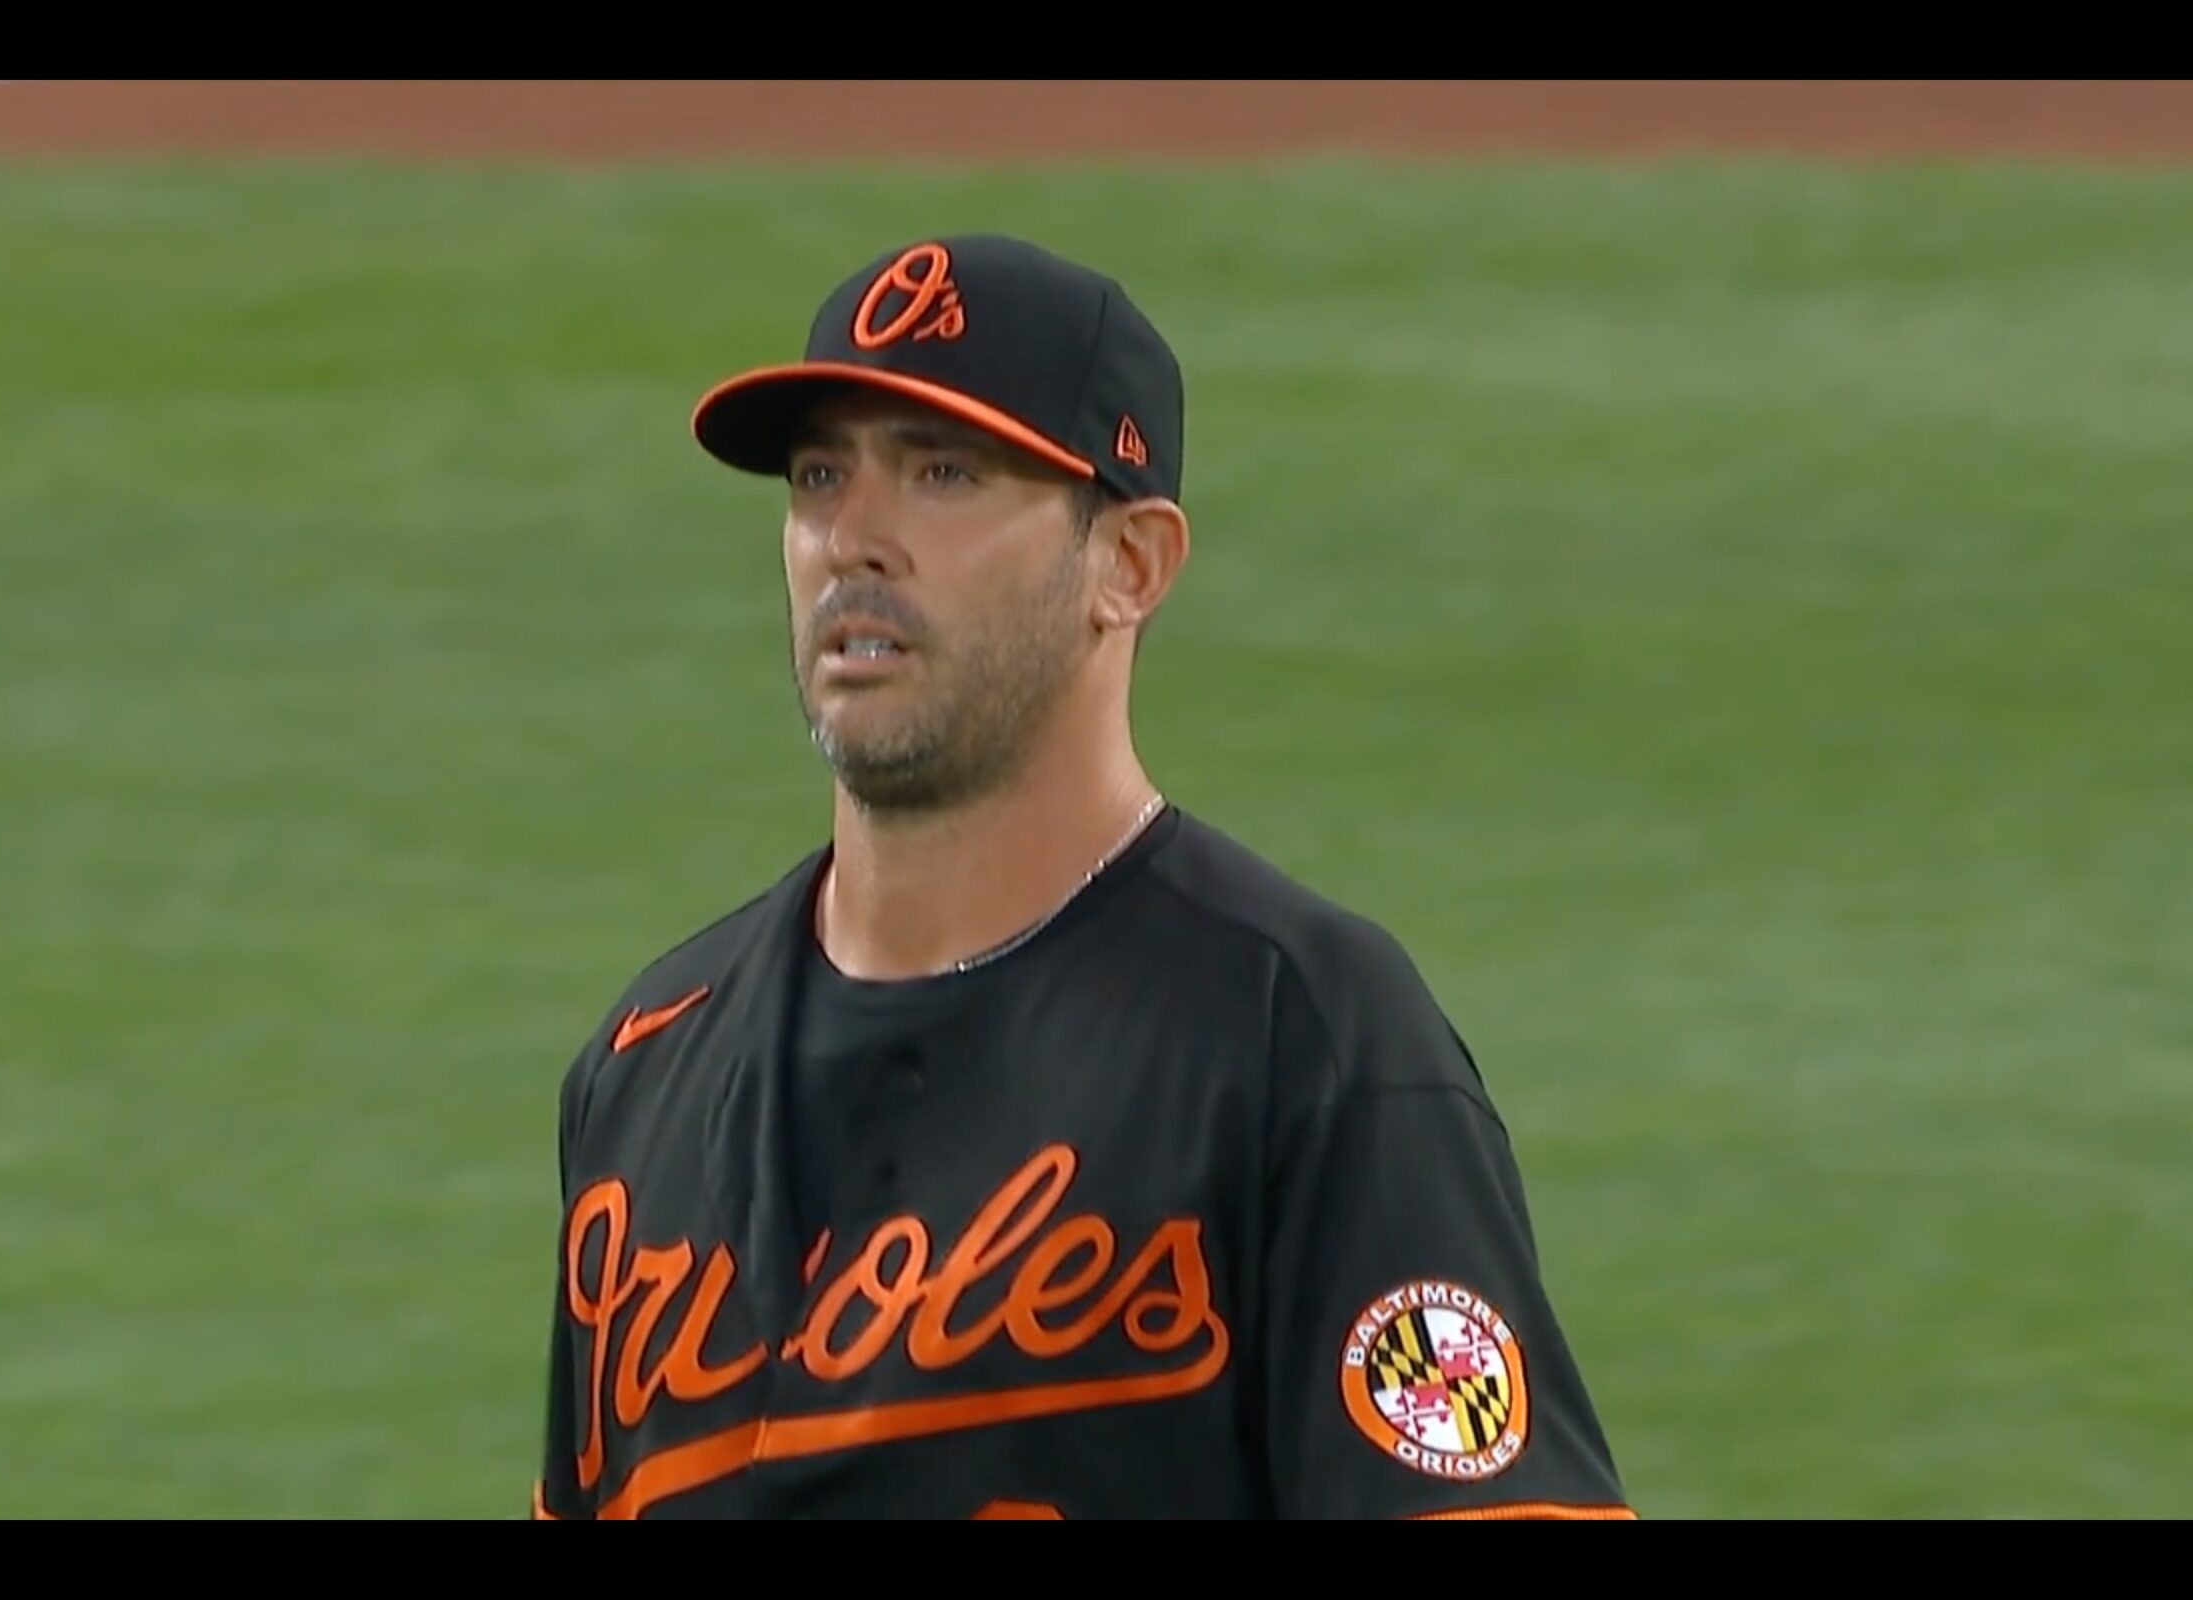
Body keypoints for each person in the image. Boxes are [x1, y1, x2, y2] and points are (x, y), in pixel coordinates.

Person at [529, 234, 1634, 1521]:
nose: (853, 538)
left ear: (1130, 565)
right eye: (821, 474)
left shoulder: (1298, 1036)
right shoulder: (647, 1064)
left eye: (944, 473)